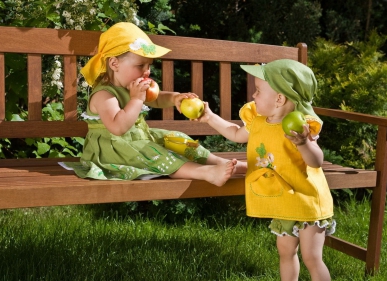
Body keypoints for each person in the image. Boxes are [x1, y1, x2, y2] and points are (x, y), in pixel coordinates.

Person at [197, 59, 336, 281]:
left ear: (279, 99)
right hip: (283, 203)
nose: (253, 96)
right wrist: (209, 117)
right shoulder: (259, 122)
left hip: (308, 201)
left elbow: (316, 161)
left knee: (311, 257)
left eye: (258, 91)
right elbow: (235, 133)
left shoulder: (299, 127)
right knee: (286, 253)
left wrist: (303, 143)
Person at [63, 22, 246, 187]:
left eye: (149, 65)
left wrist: (174, 98)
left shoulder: (132, 87)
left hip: (140, 140)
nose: (147, 71)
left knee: (176, 138)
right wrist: (136, 100)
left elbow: (156, 98)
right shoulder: (104, 95)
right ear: (114, 63)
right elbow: (118, 127)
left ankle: (218, 162)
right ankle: (205, 172)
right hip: (114, 150)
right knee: (155, 154)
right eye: (140, 65)